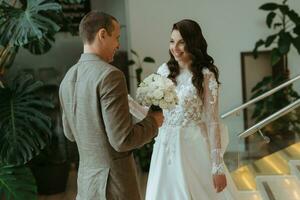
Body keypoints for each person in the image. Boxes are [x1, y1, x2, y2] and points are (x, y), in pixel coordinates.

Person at [59, 11, 163, 200]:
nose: (118, 45)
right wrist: (153, 122)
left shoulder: (67, 78)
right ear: (102, 34)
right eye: (116, 37)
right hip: (114, 185)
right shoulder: (110, 75)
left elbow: (69, 133)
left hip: (86, 183)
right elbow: (122, 140)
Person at [144, 19, 239, 199]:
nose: (175, 48)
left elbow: (212, 122)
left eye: (181, 42)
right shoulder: (164, 70)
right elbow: (144, 108)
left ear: (193, 43)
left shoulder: (206, 75)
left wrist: (217, 166)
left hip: (194, 147)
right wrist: (123, 102)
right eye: (172, 41)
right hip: (165, 149)